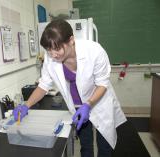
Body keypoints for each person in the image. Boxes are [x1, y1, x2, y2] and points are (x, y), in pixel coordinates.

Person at [13, 19, 127, 157]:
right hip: (78, 106)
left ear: (71, 40)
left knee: (105, 145)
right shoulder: (51, 59)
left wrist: (89, 104)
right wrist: (26, 105)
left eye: (57, 49)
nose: (53, 54)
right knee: (85, 145)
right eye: (49, 50)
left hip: (99, 101)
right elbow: (43, 85)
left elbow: (102, 84)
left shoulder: (94, 51)